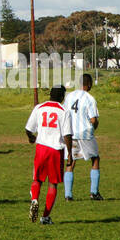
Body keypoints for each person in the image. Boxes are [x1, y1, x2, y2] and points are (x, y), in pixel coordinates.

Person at [25, 85, 73, 225]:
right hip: (55, 150)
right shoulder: (64, 111)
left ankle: (34, 199)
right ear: (62, 97)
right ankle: (45, 217)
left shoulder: (39, 108)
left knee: (37, 179)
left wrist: (31, 138)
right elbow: (67, 135)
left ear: (50, 94)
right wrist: (70, 153)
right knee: (52, 184)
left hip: (41, 148)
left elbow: (28, 128)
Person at [64, 73, 102, 201]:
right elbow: (93, 119)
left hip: (71, 134)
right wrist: (95, 126)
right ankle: (94, 192)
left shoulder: (69, 96)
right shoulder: (90, 98)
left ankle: (68, 195)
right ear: (89, 84)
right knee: (95, 159)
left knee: (71, 161)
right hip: (85, 133)